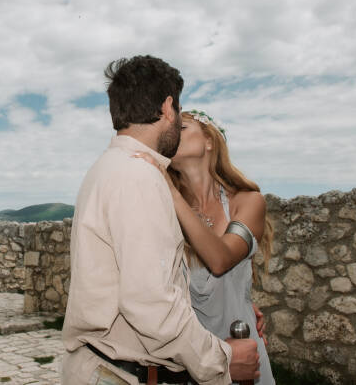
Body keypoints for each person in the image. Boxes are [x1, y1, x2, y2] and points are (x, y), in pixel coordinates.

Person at [62, 56, 260, 385]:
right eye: (179, 112)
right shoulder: (139, 177)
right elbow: (150, 304)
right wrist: (220, 362)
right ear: (168, 107)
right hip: (121, 373)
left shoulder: (110, 167)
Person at [134, 110, 275, 384]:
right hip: (191, 360)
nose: (171, 134)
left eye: (182, 127)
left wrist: (172, 195)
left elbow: (220, 260)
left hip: (244, 356)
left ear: (210, 141)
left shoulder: (248, 202)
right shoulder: (162, 210)